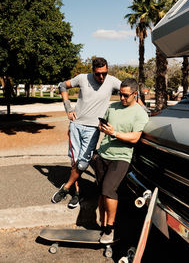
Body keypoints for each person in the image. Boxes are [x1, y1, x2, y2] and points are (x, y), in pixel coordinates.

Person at [51, 57, 121, 208]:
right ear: (92, 71)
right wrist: (68, 108)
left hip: (93, 129)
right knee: (75, 162)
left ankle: (66, 187)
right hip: (76, 125)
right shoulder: (82, 78)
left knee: (82, 164)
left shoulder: (112, 81)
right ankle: (77, 193)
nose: (101, 77)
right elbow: (62, 86)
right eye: (98, 74)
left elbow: (130, 90)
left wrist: (142, 108)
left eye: (104, 73)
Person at [93, 78, 149, 244]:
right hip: (103, 155)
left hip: (121, 157)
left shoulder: (140, 113)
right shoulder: (113, 107)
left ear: (134, 94)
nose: (122, 98)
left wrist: (114, 133)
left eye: (125, 95)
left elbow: (134, 138)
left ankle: (110, 229)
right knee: (102, 193)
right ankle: (103, 225)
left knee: (108, 190)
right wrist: (102, 127)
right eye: (119, 94)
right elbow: (102, 126)